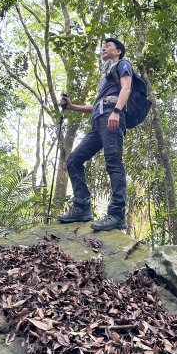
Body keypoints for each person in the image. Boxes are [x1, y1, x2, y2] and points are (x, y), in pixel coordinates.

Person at [57, 38, 132, 232]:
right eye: (103, 47)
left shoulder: (122, 64)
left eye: (108, 46)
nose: (104, 49)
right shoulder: (105, 79)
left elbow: (126, 88)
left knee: (113, 162)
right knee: (74, 160)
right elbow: (97, 105)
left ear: (118, 51)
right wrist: (72, 107)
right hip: (99, 122)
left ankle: (117, 214)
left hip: (112, 118)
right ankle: (82, 207)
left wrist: (116, 111)